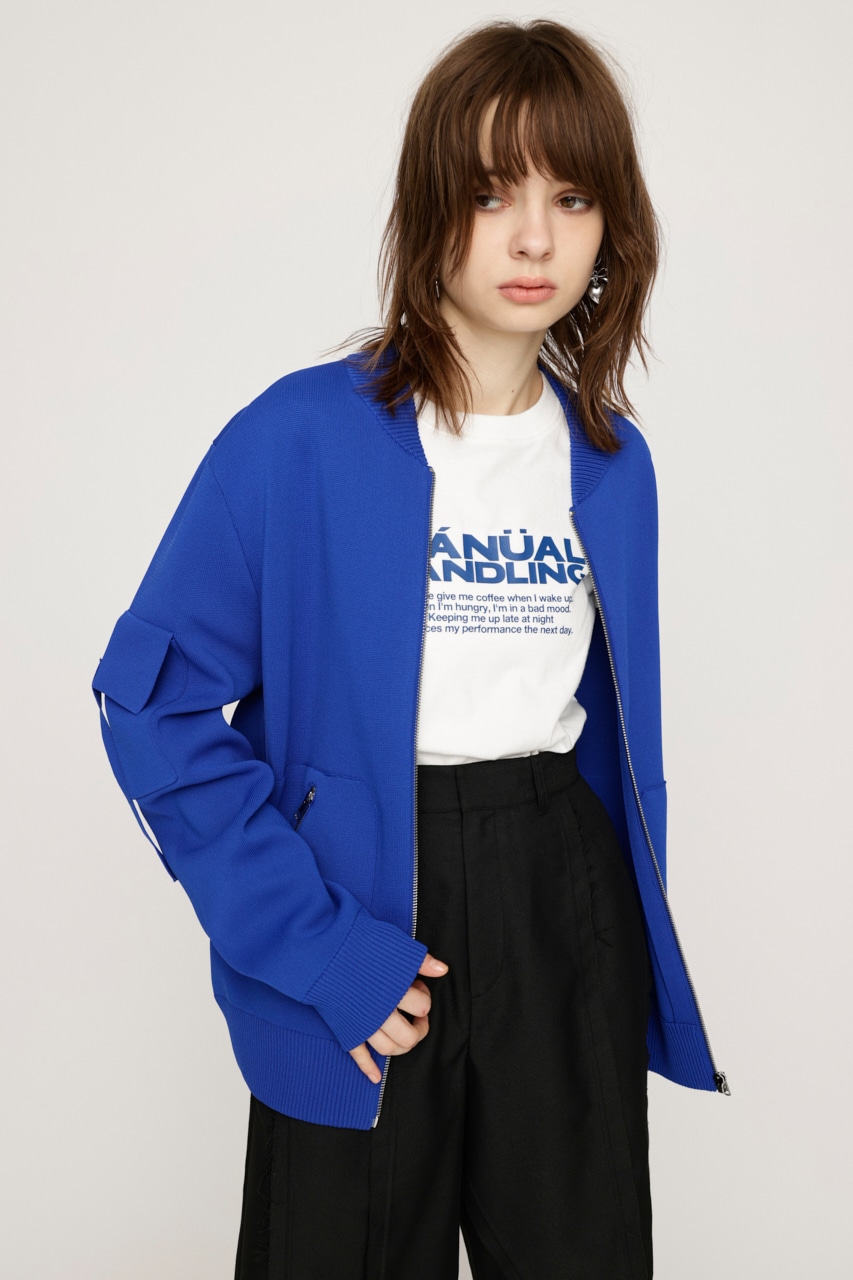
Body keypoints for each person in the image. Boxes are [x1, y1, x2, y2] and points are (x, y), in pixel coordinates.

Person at [92, 17, 728, 1280]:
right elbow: (149, 704)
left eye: (571, 196)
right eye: (491, 194)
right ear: (429, 207)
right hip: (363, 895)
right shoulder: (297, 438)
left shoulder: (614, 465)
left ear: (613, 224)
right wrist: (318, 944)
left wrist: (599, 935)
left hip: (560, 888)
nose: (534, 238)